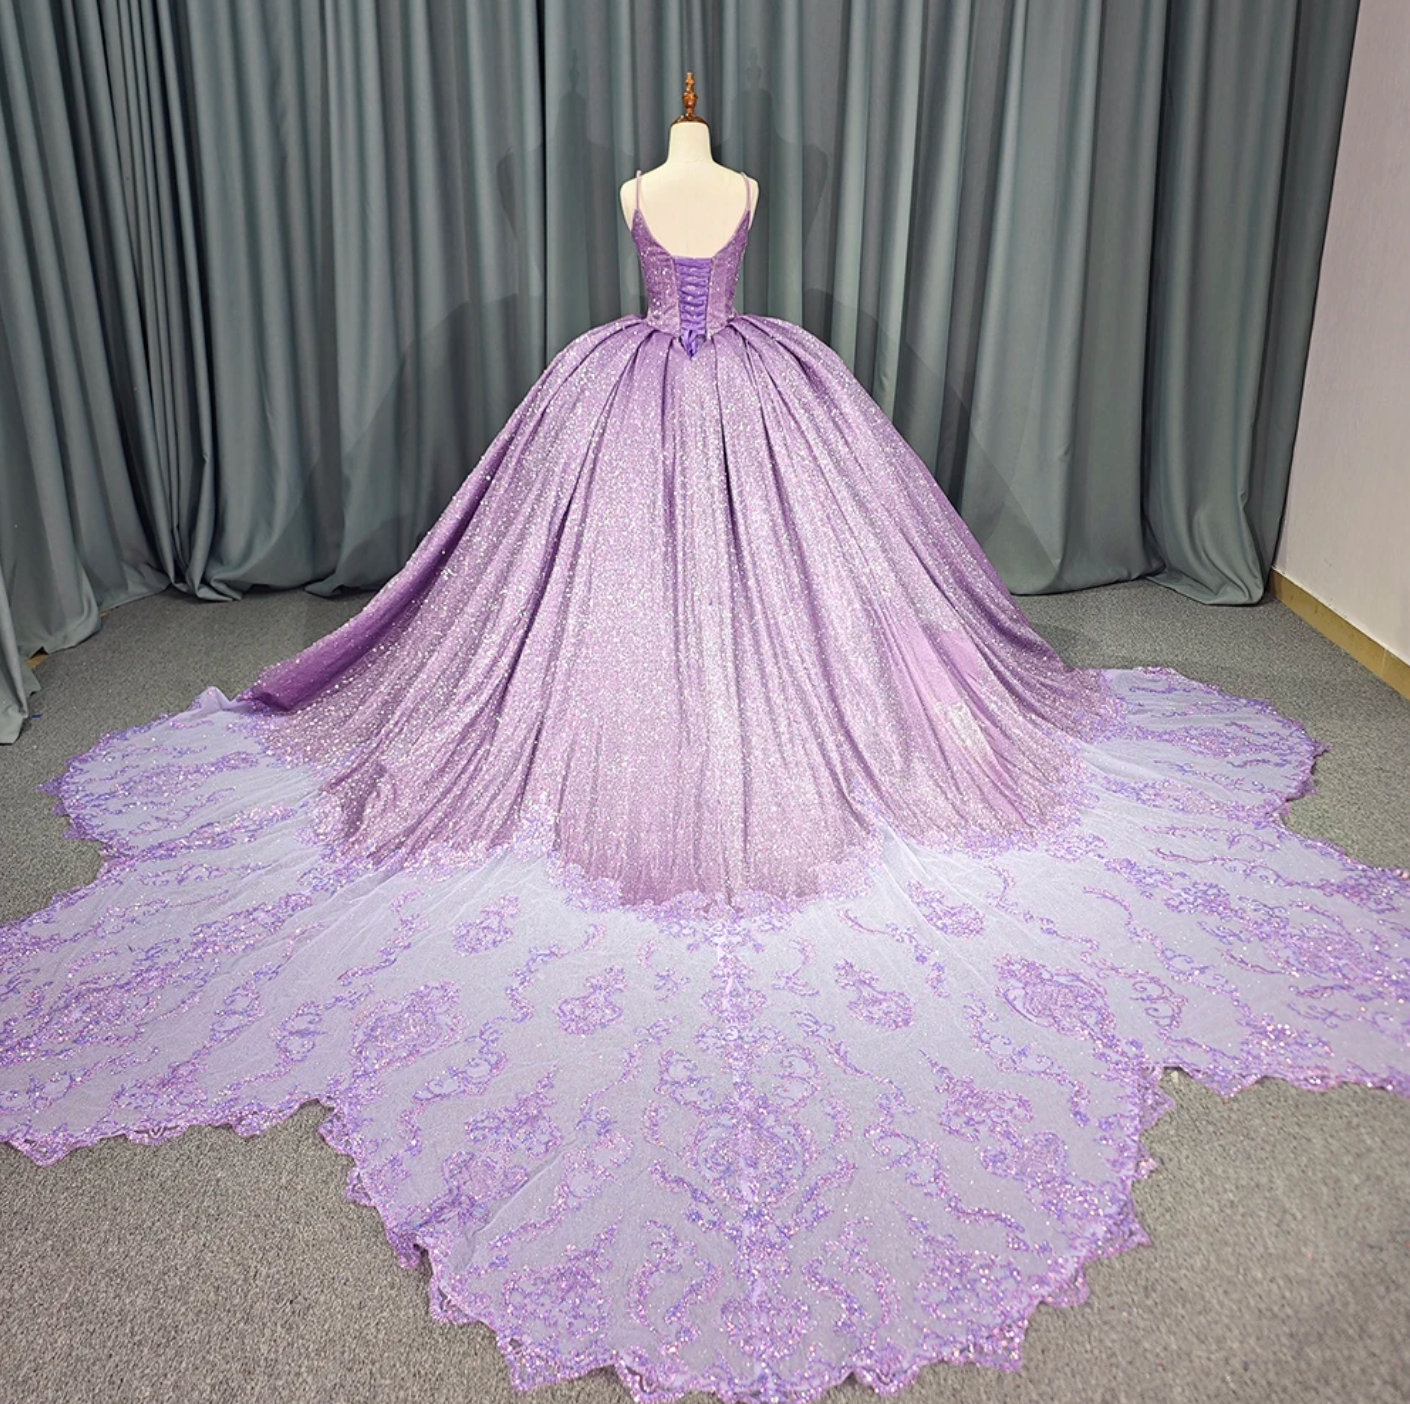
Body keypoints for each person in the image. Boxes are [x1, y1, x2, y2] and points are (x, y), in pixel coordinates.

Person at [3, 126, 1408, 1404]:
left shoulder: (705, 192)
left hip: (735, 399)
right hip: (661, 402)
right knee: (576, 601)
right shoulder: (666, 197)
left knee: (801, 597)